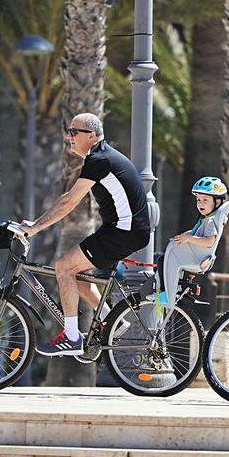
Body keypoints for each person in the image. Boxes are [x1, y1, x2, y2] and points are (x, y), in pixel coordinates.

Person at [19, 113, 150, 356]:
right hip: (123, 230)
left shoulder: (99, 159)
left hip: (124, 231)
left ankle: (71, 337)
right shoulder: (100, 156)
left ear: (91, 136)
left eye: (73, 132)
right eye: (68, 131)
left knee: (64, 267)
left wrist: (35, 227)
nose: (68, 136)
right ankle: (113, 320)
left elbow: (69, 202)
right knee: (74, 271)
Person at [156, 177, 228, 314]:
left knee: (163, 260)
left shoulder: (210, 222)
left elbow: (209, 241)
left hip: (197, 257)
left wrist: (189, 238)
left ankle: (167, 295)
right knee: (161, 260)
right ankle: (165, 291)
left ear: (217, 202)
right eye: (198, 200)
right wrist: (183, 237)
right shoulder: (205, 219)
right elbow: (195, 232)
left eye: (205, 200)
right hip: (196, 256)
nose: (200, 203)